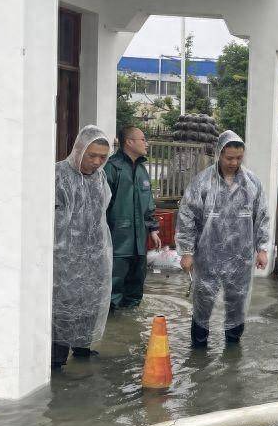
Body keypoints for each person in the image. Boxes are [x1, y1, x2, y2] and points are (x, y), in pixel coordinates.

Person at [175, 130, 269, 349]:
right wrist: (187, 252)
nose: (234, 162)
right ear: (219, 154)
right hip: (208, 256)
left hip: (240, 257)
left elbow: (261, 216)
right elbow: (187, 216)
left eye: (238, 158)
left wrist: (262, 248)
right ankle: (198, 350)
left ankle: (232, 347)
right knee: (203, 302)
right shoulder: (202, 182)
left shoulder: (251, 183)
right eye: (229, 158)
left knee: (237, 302)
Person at [52, 125, 114, 369]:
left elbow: (101, 216)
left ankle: (82, 348)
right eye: (93, 155)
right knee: (63, 307)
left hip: (94, 254)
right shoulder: (58, 175)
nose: (98, 162)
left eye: (103, 157)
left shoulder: (100, 177)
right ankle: (56, 358)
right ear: (79, 150)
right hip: (64, 258)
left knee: (91, 302)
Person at [104, 125, 161, 309]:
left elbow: (148, 203)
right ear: (129, 142)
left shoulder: (142, 170)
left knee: (136, 289)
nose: (147, 143)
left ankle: (131, 329)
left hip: (139, 243)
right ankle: (114, 330)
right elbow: (101, 206)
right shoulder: (112, 168)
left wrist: (153, 230)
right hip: (117, 243)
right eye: (143, 139)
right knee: (113, 289)